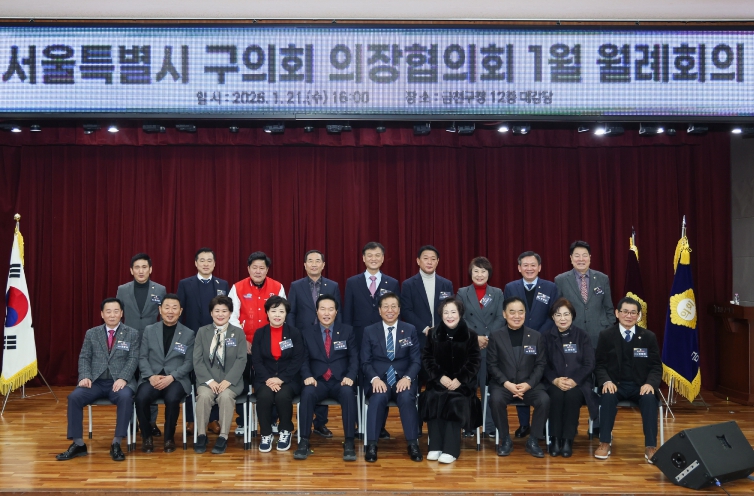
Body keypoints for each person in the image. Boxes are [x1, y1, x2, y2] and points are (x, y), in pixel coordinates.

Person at [56, 298, 140, 462]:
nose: (112, 315)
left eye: (116, 311)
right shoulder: (92, 333)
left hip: (119, 382)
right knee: (74, 397)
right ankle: (78, 444)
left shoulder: (132, 333)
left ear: (121, 313)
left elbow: (133, 359)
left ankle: (116, 443)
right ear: (102, 314)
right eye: (108, 311)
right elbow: (84, 357)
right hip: (95, 382)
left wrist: (123, 378)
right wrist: (85, 376)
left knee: (125, 398)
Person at [594, 297, 662, 463]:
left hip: (640, 386)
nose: (629, 316)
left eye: (633, 313)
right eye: (625, 312)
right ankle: (604, 442)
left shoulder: (648, 337)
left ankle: (651, 446)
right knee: (607, 397)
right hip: (615, 384)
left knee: (649, 399)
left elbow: (656, 366)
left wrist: (650, 384)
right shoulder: (606, 335)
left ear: (638, 316)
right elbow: (599, 365)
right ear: (617, 313)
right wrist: (606, 381)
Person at [343, 241, 400, 439]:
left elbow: (395, 313)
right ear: (363, 258)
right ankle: (359, 425)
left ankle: (379, 426)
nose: (373, 259)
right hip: (358, 340)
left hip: (383, 343)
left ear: (383, 258)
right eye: (370, 255)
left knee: (382, 381)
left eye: (377, 255)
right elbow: (347, 314)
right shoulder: (353, 282)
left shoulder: (392, 283)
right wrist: (348, 341)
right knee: (358, 384)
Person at [294, 294, 358, 461]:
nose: (327, 313)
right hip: (318, 381)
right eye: (323, 309)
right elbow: (302, 359)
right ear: (317, 311)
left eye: (331, 309)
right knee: (307, 393)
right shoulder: (307, 333)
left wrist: (350, 376)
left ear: (336, 312)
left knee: (348, 394)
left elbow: (354, 358)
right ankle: (304, 441)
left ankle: (349, 442)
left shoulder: (347, 331)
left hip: (340, 380)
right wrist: (307, 376)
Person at [360, 292, 422, 463]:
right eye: (386, 307)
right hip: (379, 379)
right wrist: (374, 379)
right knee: (378, 397)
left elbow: (416, 360)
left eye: (394, 306)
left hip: (403, 379)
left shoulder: (409, 329)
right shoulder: (369, 331)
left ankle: (413, 444)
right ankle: (372, 444)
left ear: (399, 309)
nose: (390, 310)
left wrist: (408, 377)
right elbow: (365, 361)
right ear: (379, 310)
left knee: (407, 397)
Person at [503, 251, 560, 439]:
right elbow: (509, 314)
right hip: (518, 341)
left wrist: (538, 335)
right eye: (525, 265)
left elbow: (553, 314)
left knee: (540, 380)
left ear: (539, 267)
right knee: (521, 378)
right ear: (519, 268)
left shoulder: (550, 287)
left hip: (544, 340)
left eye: (533, 265)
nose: (529, 268)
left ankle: (541, 426)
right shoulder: (511, 287)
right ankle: (524, 424)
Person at [228, 251, 286, 434]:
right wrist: (243, 340)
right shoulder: (237, 287)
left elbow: (281, 314)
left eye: (262, 268)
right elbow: (231, 316)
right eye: (255, 267)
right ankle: (243, 422)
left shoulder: (277, 287)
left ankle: (273, 420)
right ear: (248, 269)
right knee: (242, 381)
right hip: (244, 345)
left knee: (271, 382)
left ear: (267, 269)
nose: (258, 271)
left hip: (270, 346)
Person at [419, 296, 481, 464]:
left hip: (462, 385)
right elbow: (427, 359)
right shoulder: (433, 334)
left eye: (453, 312)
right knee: (432, 397)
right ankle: (435, 446)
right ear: (441, 314)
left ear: (460, 313)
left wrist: (459, 380)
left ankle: (451, 450)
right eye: (446, 312)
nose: (449, 316)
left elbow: (474, 362)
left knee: (454, 400)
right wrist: (440, 377)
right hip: (438, 382)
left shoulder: (471, 335)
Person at [287, 249, 342, 438]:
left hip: (326, 338)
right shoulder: (296, 286)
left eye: (317, 261)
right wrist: (293, 336)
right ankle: (303, 424)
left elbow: (338, 313)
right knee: (307, 380)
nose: (313, 264)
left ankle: (320, 423)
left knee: (323, 375)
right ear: (304, 265)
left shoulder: (332, 286)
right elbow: (291, 313)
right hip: (303, 339)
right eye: (310, 260)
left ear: (323, 265)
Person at [487, 297, 549, 458]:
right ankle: (505, 439)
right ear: (504, 314)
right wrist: (507, 384)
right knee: (495, 400)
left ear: (525, 314)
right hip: (504, 385)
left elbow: (540, 364)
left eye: (520, 312)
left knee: (544, 400)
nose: (517, 316)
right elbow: (492, 365)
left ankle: (533, 440)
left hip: (529, 385)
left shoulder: (536, 336)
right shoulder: (496, 336)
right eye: (512, 312)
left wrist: (528, 384)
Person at [176, 247, 229, 436]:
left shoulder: (222, 284)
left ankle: (213, 419)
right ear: (196, 263)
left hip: (217, 337)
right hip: (192, 338)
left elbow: (226, 312)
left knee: (216, 376)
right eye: (202, 260)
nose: (206, 264)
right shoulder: (185, 284)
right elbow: (180, 311)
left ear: (214, 263)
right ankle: (192, 419)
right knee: (192, 378)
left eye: (209, 260)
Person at [135, 294, 195, 453]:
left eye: (174, 308)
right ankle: (147, 437)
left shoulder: (188, 333)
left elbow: (189, 362)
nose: (170, 311)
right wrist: (150, 376)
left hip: (176, 379)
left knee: (172, 398)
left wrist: (172, 377)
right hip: (152, 377)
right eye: (167, 307)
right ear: (160, 309)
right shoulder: (149, 330)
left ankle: (169, 438)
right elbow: (142, 357)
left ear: (180, 311)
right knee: (141, 398)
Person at [116, 252, 166, 437]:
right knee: (129, 383)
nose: (141, 271)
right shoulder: (122, 290)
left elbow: (164, 317)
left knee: (150, 382)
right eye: (137, 267)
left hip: (152, 344)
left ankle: (151, 422)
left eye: (144, 267)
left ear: (150, 269)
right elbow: (118, 315)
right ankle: (130, 422)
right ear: (131, 270)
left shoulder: (160, 289)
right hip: (127, 343)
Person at [541, 298, 599, 458]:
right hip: (553, 382)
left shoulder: (582, 336)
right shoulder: (546, 337)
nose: (563, 318)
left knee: (572, 396)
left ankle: (567, 440)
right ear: (553, 317)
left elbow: (589, 364)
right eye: (558, 315)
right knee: (556, 395)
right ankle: (555, 439)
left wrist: (574, 380)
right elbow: (542, 364)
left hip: (579, 383)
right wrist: (555, 380)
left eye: (566, 314)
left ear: (572, 316)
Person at [193, 295, 247, 455]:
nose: (220, 314)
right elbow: (197, 360)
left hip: (231, 381)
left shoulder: (238, 333)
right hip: (206, 380)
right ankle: (201, 435)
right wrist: (209, 381)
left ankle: (223, 436)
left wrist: (228, 380)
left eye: (224, 311)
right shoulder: (202, 332)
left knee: (225, 397)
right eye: (217, 311)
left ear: (230, 313)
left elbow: (241, 359)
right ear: (211, 313)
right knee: (203, 397)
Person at [456, 256, 504, 437]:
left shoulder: (497, 293)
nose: (479, 274)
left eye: (483, 271)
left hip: (490, 347)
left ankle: (489, 427)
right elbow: (460, 317)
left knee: (488, 388)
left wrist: (487, 337)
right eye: (476, 271)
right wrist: (476, 337)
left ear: (489, 273)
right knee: (468, 387)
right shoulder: (462, 292)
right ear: (471, 273)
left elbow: (500, 318)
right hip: (469, 347)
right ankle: (469, 425)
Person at [251, 296, 305, 453]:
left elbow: (297, 359)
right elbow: (256, 360)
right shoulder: (260, 333)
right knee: (264, 396)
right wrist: (269, 379)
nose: (277, 315)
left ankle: (285, 431)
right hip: (265, 378)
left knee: (283, 396)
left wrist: (281, 379)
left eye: (281, 311)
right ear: (267, 313)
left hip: (288, 379)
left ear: (286, 314)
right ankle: (266, 433)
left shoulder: (294, 333)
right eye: (273, 311)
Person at [554, 241, 615, 348]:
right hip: (572, 333)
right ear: (571, 258)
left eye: (584, 255)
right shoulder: (561, 280)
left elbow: (608, 307)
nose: (581, 259)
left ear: (590, 257)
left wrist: (608, 328)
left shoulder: (602, 278)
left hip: (599, 334)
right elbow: (557, 309)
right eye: (577, 256)